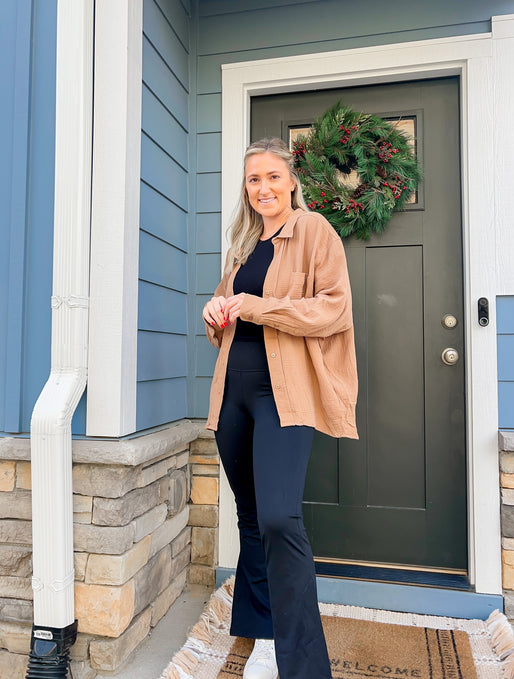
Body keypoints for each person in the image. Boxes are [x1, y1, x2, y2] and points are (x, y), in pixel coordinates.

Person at [202, 138, 358, 679]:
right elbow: (223, 326)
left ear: (291, 181)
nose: (262, 188)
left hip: (282, 393)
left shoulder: (314, 231)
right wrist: (215, 311)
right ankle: (262, 634)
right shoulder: (243, 245)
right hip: (233, 394)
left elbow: (333, 310)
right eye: (252, 181)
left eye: (272, 177)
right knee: (250, 518)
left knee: (278, 518)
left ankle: (304, 667)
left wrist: (260, 307)